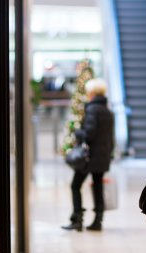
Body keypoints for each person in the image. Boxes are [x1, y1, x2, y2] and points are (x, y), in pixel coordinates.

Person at [62, 78, 114, 232]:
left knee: (75, 185)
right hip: (102, 155)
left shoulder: (92, 109)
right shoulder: (108, 110)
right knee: (97, 186)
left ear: (91, 93)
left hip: (89, 156)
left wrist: (77, 132)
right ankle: (98, 220)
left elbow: (89, 134)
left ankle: (77, 219)